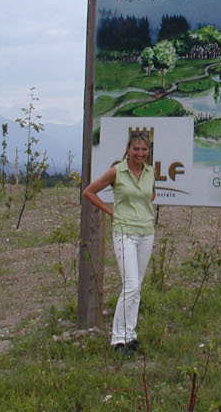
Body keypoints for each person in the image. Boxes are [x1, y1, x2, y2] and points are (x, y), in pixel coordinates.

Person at [83, 130, 156, 356]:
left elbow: (151, 195)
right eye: (136, 149)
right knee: (131, 285)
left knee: (137, 286)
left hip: (146, 232)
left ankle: (130, 335)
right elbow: (89, 192)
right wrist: (111, 211)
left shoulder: (150, 171)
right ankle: (118, 340)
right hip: (125, 232)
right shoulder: (117, 171)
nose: (140, 153)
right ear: (128, 149)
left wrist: (140, 207)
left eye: (144, 149)